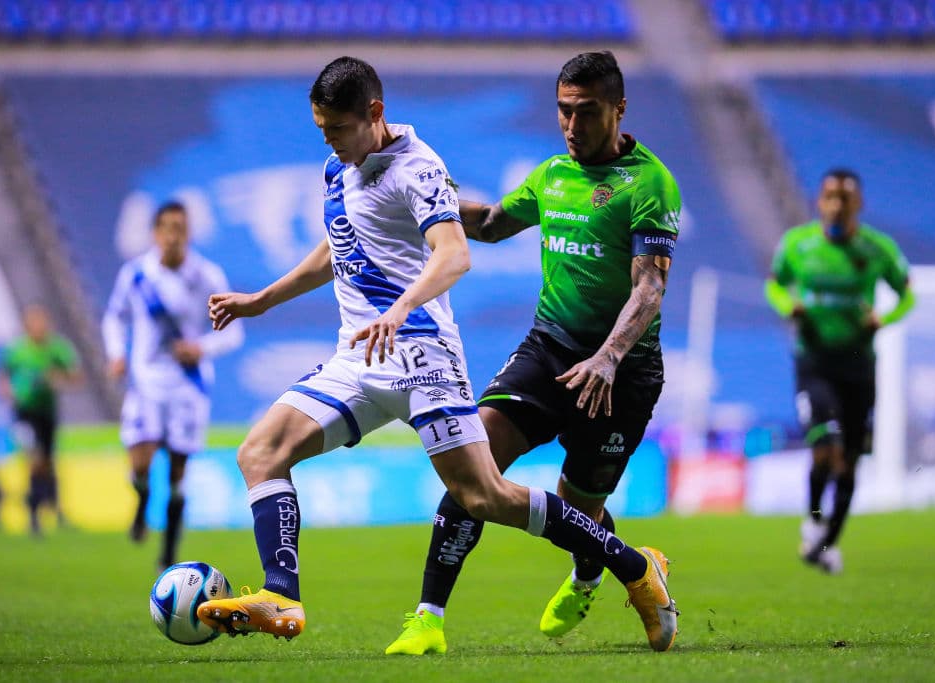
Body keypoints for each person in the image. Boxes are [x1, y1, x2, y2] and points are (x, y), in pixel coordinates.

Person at [196, 56, 678, 653]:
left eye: (338, 129)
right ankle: (282, 595)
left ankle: (633, 567)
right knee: (260, 452)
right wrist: (261, 300)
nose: (330, 141)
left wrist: (401, 305)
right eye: (323, 129)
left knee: (484, 497)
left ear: (374, 113)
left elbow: (455, 254)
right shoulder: (338, 167)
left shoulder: (418, 168)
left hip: (421, 354)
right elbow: (341, 244)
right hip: (361, 355)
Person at [384, 50, 680, 656]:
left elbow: (650, 286)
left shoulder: (650, 183)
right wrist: (427, 201)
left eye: (586, 111)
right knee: (474, 462)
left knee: (579, 512)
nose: (572, 125)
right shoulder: (551, 175)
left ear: (619, 109)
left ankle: (601, 572)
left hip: (622, 373)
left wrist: (608, 357)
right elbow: (492, 223)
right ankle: (428, 618)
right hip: (548, 350)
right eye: (564, 111)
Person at [765, 168, 915, 574]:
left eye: (844, 198)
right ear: (819, 201)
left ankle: (828, 543)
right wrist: (788, 306)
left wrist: (884, 319)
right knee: (824, 450)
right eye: (830, 196)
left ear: (858, 204)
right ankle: (814, 519)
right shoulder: (798, 244)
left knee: (848, 461)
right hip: (814, 362)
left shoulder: (877, 249)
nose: (836, 205)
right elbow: (774, 284)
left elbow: (907, 294)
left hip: (858, 367)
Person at [102, 200, 244, 570]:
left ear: (189, 233)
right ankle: (141, 497)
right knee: (141, 462)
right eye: (166, 228)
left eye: (179, 228)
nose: (172, 236)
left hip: (187, 386)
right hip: (145, 383)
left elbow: (233, 332)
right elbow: (114, 318)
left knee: (178, 473)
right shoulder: (136, 275)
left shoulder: (206, 276)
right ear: (154, 233)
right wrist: (116, 354)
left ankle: (168, 551)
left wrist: (202, 348)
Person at [0, 303, 82, 535]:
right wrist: (7, 391)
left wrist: (58, 377)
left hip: (46, 412)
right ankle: (34, 515)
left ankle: (51, 510)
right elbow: (2, 374)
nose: (38, 326)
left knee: (47, 464)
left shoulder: (56, 348)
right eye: (34, 321)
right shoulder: (17, 350)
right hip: (24, 412)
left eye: (42, 321)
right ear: (26, 325)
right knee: (35, 459)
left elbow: (76, 375)